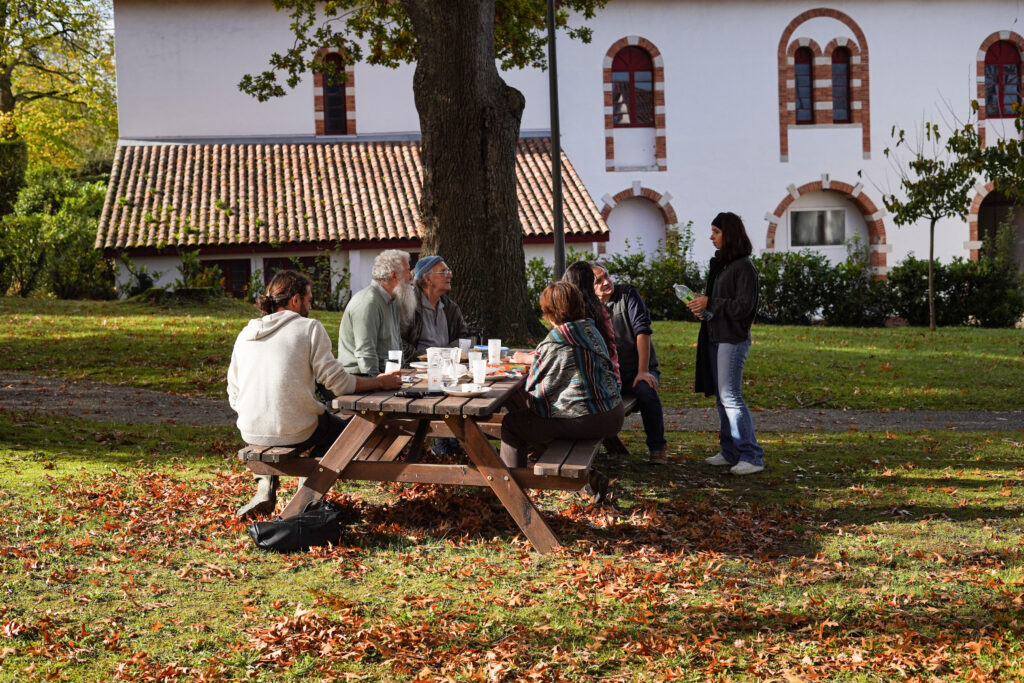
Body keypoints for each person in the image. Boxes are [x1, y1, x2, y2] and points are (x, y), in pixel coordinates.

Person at [227, 270, 403, 517]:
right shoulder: (308, 328)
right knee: (342, 434)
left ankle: (264, 488)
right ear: (295, 300)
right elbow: (338, 384)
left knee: (289, 422)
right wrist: (380, 383)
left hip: (249, 427)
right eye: (308, 300)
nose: (310, 306)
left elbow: (233, 390)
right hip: (296, 427)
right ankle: (307, 491)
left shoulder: (246, 333)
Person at [501, 281, 624, 503]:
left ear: (551, 312)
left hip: (590, 419)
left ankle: (511, 497)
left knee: (513, 423)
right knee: (543, 425)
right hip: (613, 414)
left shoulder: (556, 342)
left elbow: (538, 392)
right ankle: (588, 478)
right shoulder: (590, 329)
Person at [685, 211, 765, 475]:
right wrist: (703, 306)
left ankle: (751, 456)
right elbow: (721, 305)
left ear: (729, 234)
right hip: (717, 337)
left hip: (733, 339)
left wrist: (711, 303)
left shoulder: (744, 267)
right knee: (722, 398)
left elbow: (744, 307)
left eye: (716, 232)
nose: (711, 236)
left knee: (730, 396)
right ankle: (730, 451)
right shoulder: (724, 265)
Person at [591, 262, 668, 465]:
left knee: (645, 390)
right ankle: (589, 448)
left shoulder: (627, 295)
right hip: (610, 374)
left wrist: (643, 371)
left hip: (638, 369)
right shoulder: (589, 307)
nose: (607, 282)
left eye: (606, 276)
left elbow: (642, 332)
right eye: (598, 281)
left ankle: (657, 446)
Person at [338, 249, 412, 376]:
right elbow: (365, 354)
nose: (411, 277)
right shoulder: (368, 303)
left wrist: (403, 375)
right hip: (360, 377)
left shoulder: (392, 299)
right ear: (394, 275)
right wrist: (378, 385)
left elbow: (397, 344)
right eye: (407, 271)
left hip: (384, 376)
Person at [398, 255, 470, 362]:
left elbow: (464, 338)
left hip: (447, 367)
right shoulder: (407, 306)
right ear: (427, 279)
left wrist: (444, 355)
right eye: (444, 272)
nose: (450, 275)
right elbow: (397, 343)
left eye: (449, 271)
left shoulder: (451, 308)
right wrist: (426, 357)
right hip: (415, 370)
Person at [562, 261, 620, 385]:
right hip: (611, 382)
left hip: (599, 387)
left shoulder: (581, 320)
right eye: (598, 281)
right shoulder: (599, 311)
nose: (606, 282)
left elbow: (557, 354)